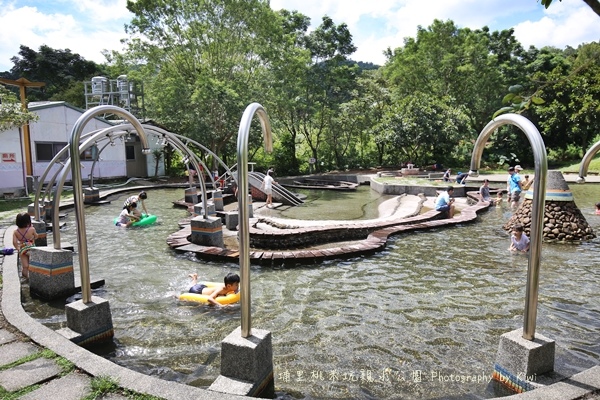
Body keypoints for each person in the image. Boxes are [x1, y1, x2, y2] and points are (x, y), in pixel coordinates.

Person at [12, 212, 39, 279]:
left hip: (22, 249)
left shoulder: (15, 232)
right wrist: (33, 237)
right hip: (31, 248)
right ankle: (34, 278)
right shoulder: (32, 229)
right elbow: (36, 236)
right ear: (28, 221)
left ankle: (25, 278)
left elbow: (14, 242)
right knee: (33, 264)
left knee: (25, 266)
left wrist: (18, 248)